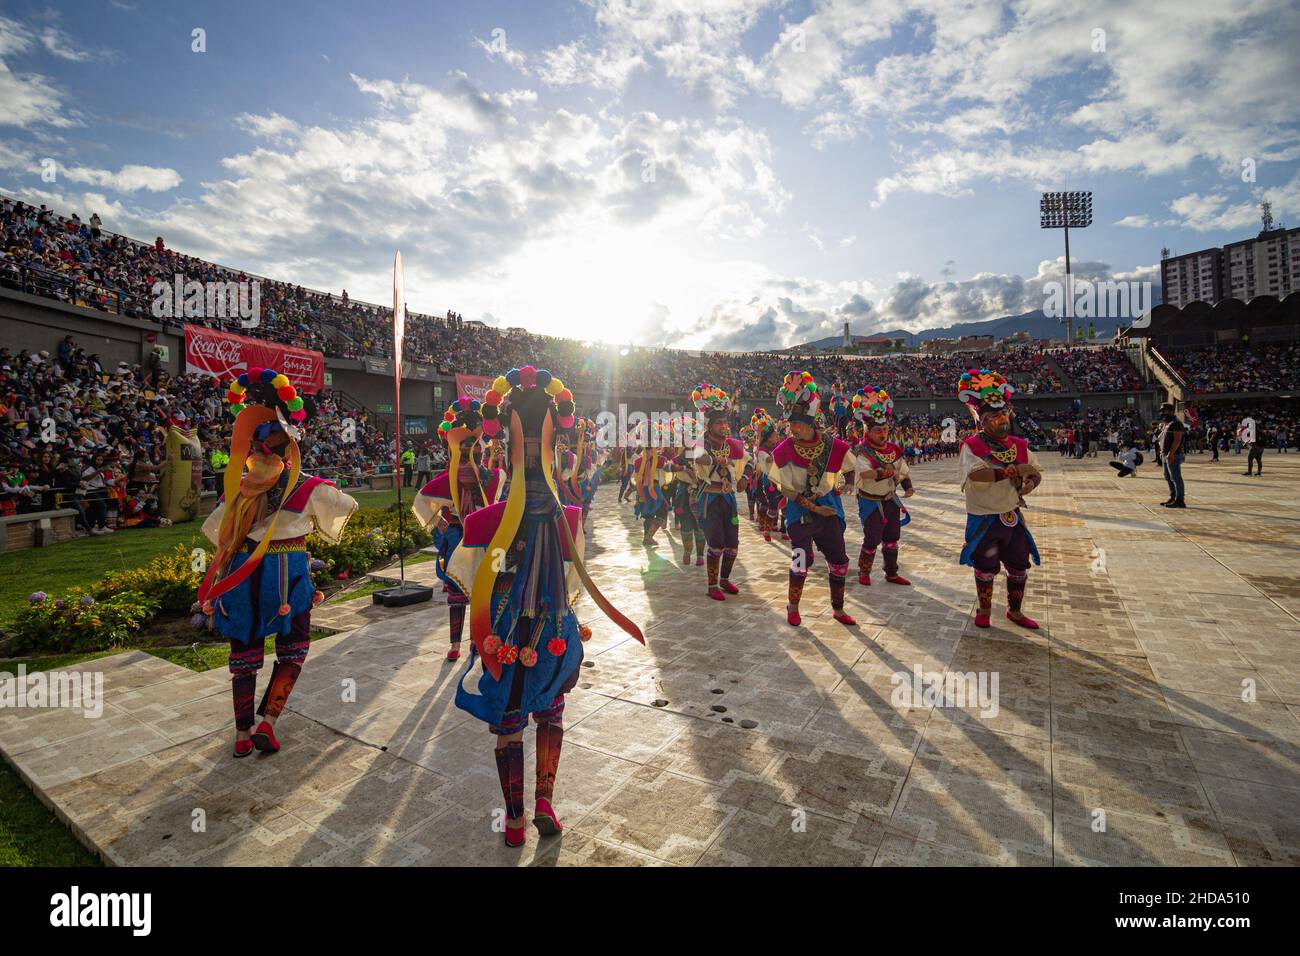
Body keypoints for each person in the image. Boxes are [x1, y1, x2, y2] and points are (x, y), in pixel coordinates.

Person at [445, 364, 643, 847]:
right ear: (557, 448)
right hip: (550, 633)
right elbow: (573, 584)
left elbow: (476, 584)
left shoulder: (486, 521)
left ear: (500, 448)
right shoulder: (567, 516)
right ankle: (543, 802)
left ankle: (514, 820)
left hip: (505, 638)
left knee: (508, 722)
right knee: (552, 709)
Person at [198, 367, 359, 758]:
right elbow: (347, 505)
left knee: (245, 655)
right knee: (294, 647)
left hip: (243, 573)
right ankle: (268, 722)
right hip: (288, 577)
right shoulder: (307, 487)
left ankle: (241, 734)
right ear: (290, 449)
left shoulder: (238, 489)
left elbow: (213, 531)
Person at [413, 397, 505, 661]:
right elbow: (421, 500)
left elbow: (494, 502)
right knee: (457, 593)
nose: (470, 453)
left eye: (475, 448)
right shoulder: (448, 479)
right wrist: (440, 522)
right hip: (457, 538)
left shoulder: (490, 477)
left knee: (483, 592)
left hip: (481, 539)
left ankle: (477, 641)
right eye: (464, 449)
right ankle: (456, 643)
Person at [767, 371, 857, 627]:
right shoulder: (782, 450)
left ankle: (838, 610)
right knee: (800, 559)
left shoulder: (834, 445)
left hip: (829, 509)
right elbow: (783, 487)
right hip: (798, 513)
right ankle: (793, 606)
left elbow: (850, 466)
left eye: (796, 424)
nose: (791, 428)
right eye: (790, 423)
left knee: (839, 561)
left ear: (810, 423)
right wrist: (810, 506)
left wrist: (848, 483)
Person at [955, 369, 1043, 630]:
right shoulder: (973, 445)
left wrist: (1029, 483)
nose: (1000, 419)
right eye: (993, 415)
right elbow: (978, 475)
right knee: (985, 565)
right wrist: (1010, 472)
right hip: (984, 515)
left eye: (1002, 413)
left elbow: (1035, 471)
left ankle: (1014, 611)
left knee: (1019, 564)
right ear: (982, 419)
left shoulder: (1019, 444)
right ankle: (984, 609)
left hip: (1012, 515)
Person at [680, 383, 746, 599]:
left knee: (733, 545)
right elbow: (697, 457)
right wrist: (709, 458)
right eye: (719, 423)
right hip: (709, 498)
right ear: (709, 425)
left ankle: (725, 580)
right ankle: (712, 586)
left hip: (729, 499)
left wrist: (745, 476)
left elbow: (749, 461)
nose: (723, 426)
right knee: (716, 543)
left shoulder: (733, 444)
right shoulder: (700, 442)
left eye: (725, 422)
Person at [849, 386, 914, 587]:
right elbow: (864, 472)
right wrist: (882, 473)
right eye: (878, 430)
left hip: (890, 500)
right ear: (868, 430)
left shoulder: (894, 449)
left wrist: (907, 486)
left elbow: (903, 469)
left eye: (885, 429)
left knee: (892, 537)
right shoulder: (862, 450)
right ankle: (864, 571)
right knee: (872, 538)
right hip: (870, 501)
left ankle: (891, 572)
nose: (883, 433)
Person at [1158, 402, 1186, 506]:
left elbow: (1177, 439)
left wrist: (1171, 453)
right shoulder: (1167, 424)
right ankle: (1173, 497)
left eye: (1163, 411)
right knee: (1168, 477)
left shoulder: (1176, 423)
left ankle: (1180, 500)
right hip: (1165, 454)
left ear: (1170, 411)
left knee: (1175, 477)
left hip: (1173, 454)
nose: (1162, 413)